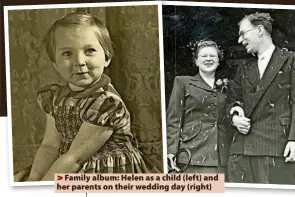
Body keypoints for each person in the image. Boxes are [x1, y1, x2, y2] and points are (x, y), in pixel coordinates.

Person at [14, 12, 159, 182]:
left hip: (107, 172)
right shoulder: (55, 97)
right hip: (68, 162)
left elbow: (76, 158)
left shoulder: (106, 104)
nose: (80, 61)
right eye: (67, 53)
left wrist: (43, 187)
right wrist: (34, 180)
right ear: (55, 64)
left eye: (89, 50)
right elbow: (50, 145)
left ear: (107, 58)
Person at [227, 12, 295, 184]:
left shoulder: (293, 60)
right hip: (241, 150)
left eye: (243, 33)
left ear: (260, 30)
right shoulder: (245, 67)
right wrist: (235, 116)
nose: (240, 40)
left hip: (275, 147)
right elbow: (233, 98)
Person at [166, 40, 233, 174]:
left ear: (219, 61)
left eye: (213, 56)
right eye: (203, 56)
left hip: (222, 156)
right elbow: (174, 119)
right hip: (192, 154)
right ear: (196, 61)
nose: (208, 59)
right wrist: (171, 151)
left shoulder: (228, 86)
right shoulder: (182, 82)